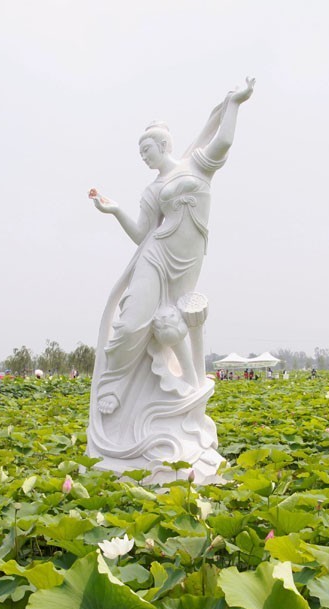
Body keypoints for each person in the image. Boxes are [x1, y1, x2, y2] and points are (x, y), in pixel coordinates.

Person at [87, 78, 255, 481]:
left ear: (163, 145)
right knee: (131, 324)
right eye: (140, 152)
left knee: (171, 326)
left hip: (189, 258)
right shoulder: (152, 189)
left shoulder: (196, 165)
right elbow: (142, 232)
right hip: (157, 256)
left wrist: (233, 103)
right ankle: (113, 389)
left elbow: (225, 142)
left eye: (147, 149)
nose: (143, 157)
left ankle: (187, 401)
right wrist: (114, 211)